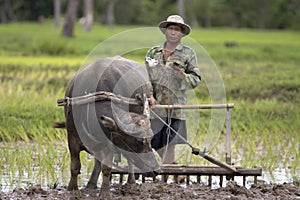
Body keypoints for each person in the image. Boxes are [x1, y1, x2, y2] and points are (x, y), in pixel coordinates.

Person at [145, 15, 201, 182]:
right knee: (153, 141)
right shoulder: (153, 53)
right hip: (155, 108)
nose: (173, 32)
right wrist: (150, 96)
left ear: (182, 33)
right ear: (165, 31)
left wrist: (183, 76)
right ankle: (177, 171)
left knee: (170, 144)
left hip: (175, 107)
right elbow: (146, 77)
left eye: (177, 29)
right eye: (171, 28)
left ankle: (165, 179)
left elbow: (196, 79)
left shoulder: (188, 54)